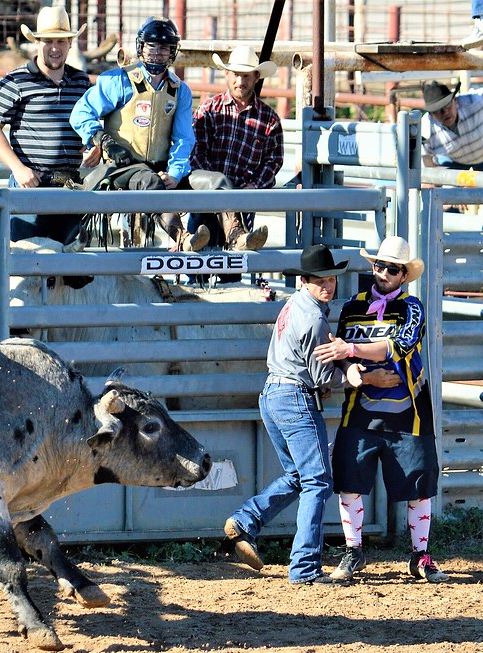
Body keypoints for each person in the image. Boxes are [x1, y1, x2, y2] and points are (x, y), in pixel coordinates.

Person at [312, 236, 448, 583]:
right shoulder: (351, 307)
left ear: (404, 275)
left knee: (418, 486)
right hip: (361, 411)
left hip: (408, 413)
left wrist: (351, 353)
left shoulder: (412, 307)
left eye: (392, 268)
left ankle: (421, 556)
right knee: (349, 483)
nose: (383, 272)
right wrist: (355, 371)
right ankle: (353, 552)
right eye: (379, 265)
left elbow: (397, 347)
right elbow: (338, 355)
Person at [223, 245, 351, 586]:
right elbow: (323, 376)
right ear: (306, 281)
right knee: (318, 480)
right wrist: (352, 376)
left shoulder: (293, 304)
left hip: (272, 393)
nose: (328, 285)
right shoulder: (314, 318)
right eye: (320, 280)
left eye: (332, 279)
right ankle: (305, 567)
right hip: (294, 397)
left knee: (300, 475)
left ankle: (246, 520)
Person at [70, 16, 211, 252]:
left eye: (164, 48)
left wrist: (175, 173)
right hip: (121, 168)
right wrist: (103, 141)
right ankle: (182, 237)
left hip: (160, 168)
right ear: (141, 48)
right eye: (151, 47)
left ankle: (237, 235)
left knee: (215, 181)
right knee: (149, 180)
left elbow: (184, 138)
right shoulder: (119, 80)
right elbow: (80, 113)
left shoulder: (179, 91)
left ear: (172, 52)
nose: (156, 54)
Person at [0, 6, 101, 245]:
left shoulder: (82, 81)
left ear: (70, 44)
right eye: (48, 41)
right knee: (26, 264)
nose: (55, 48)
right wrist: (18, 169)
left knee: (67, 271)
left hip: (70, 185)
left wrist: (95, 147)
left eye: (61, 41)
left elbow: (92, 124)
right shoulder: (16, 80)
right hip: (30, 184)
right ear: (37, 43)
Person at [190, 45, 283, 252]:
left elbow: (274, 161)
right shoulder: (209, 109)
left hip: (243, 198)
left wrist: (254, 185)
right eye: (236, 75)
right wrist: (215, 186)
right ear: (226, 74)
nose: (240, 82)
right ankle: (236, 235)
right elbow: (196, 152)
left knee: (230, 271)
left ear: (256, 77)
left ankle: (236, 235)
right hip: (206, 199)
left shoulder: (269, 119)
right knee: (197, 264)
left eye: (246, 76)